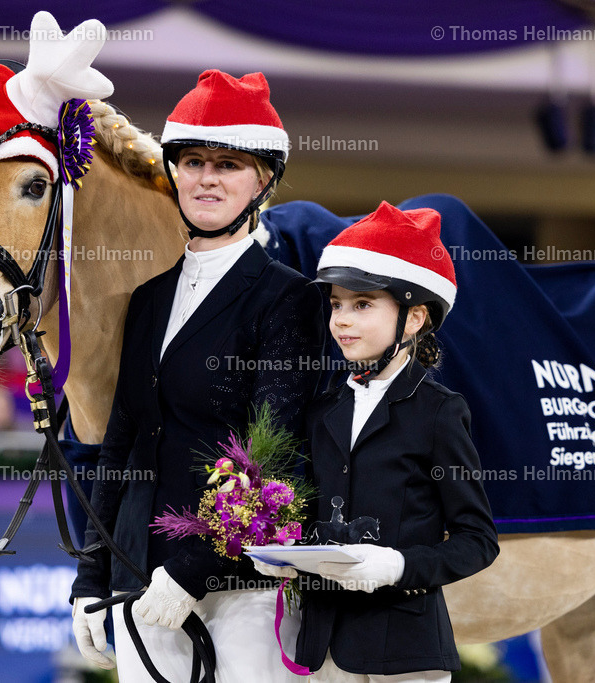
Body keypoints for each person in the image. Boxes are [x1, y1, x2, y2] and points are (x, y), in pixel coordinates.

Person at [70, 69, 325, 681]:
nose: (206, 177)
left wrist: (193, 572)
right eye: (192, 162)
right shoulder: (147, 298)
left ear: (262, 181)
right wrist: (91, 576)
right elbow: (121, 441)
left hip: (240, 586)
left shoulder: (289, 297)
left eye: (228, 164)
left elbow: (276, 452)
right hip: (139, 579)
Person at [255, 201, 500, 682]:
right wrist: (283, 551)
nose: (341, 320)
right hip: (323, 652)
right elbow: (316, 513)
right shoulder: (322, 409)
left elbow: (478, 542)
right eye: (336, 305)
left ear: (414, 318)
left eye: (362, 304)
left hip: (405, 653)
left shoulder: (439, 412)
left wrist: (397, 566)